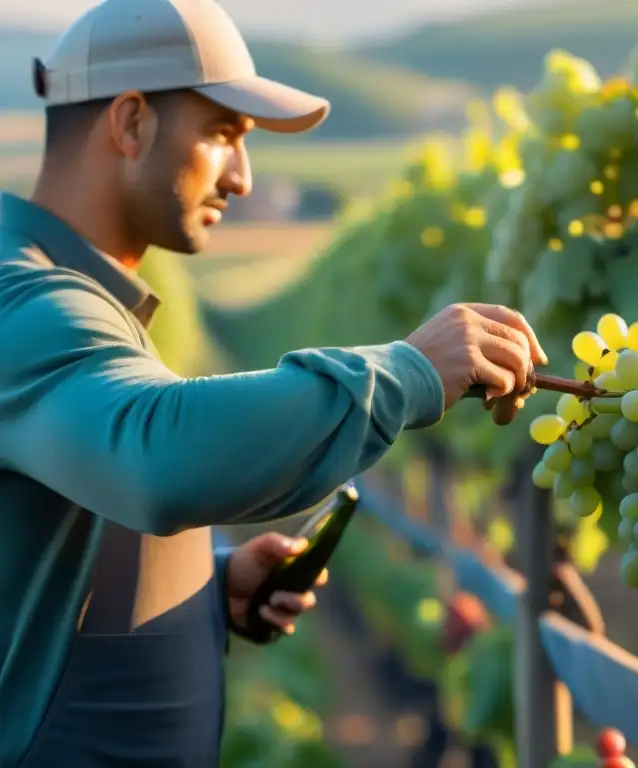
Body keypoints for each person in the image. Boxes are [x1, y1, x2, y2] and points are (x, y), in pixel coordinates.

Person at [0, 0, 546, 766]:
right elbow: (153, 452)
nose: (245, 178)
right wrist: (405, 373)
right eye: (223, 133)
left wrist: (199, 594)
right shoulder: (27, 303)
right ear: (129, 124)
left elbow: (55, 539)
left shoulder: (70, 294)